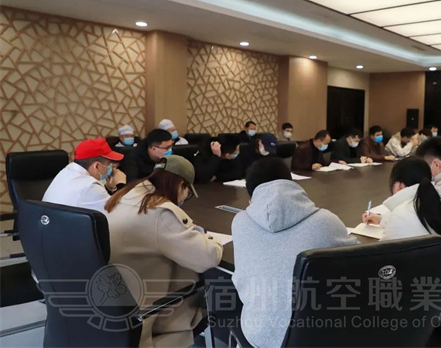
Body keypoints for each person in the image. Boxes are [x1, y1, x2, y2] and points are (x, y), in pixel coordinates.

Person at [232, 157, 357, 348]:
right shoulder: (326, 221)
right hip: (315, 337)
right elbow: (360, 260)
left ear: (251, 200)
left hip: (257, 336)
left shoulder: (239, 222)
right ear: (291, 183)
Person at [104, 155, 222, 347]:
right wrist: (207, 237)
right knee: (212, 293)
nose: (184, 199)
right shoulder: (160, 212)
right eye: (187, 193)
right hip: (146, 313)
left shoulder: (125, 195)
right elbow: (208, 257)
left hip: (114, 303)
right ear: (181, 185)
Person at [363, 157, 441, 293]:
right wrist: (383, 219)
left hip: (434, 298)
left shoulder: (401, 214)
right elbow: (423, 221)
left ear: (399, 186)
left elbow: (380, 264)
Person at [43, 138, 127, 213]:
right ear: (96, 166)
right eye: (109, 163)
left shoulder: (68, 170)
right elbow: (123, 214)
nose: (112, 168)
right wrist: (121, 185)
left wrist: (109, 188)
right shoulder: (89, 186)